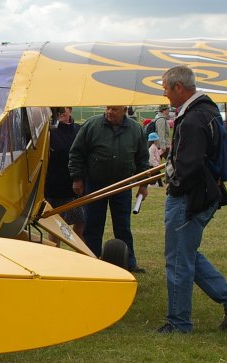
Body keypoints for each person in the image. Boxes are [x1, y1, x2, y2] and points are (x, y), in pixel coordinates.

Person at [157, 66, 227, 334]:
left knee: (177, 261)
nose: (165, 94)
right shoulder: (208, 113)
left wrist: (174, 186)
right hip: (205, 193)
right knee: (184, 255)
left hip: (189, 197)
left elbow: (189, 166)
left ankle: (179, 323)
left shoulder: (194, 119)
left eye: (165, 88)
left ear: (179, 88)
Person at [68, 104, 149, 271]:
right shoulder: (91, 125)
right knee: (92, 224)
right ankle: (91, 261)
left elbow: (142, 158)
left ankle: (129, 262)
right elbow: (76, 153)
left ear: (125, 110)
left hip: (122, 185)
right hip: (95, 184)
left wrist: (144, 184)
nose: (109, 112)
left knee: (123, 226)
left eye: (114, 109)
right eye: (108, 108)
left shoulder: (136, 129)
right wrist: (77, 178)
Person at [45, 107, 85, 238]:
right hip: (55, 183)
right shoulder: (48, 131)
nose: (61, 112)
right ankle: (55, 251)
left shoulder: (79, 129)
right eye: (57, 109)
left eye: (64, 108)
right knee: (56, 222)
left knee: (82, 219)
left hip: (76, 182)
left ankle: (78, 250)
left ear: (70, 110)